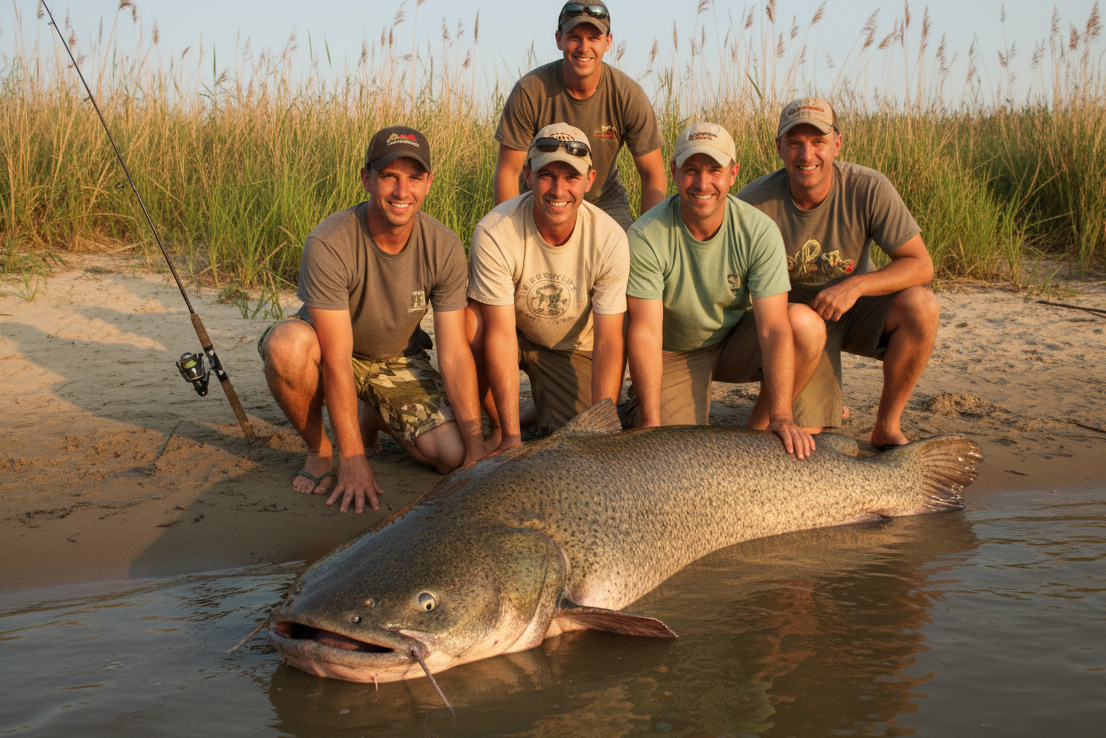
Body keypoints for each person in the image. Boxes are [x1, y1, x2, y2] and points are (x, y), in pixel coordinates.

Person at [258, 126, 485, 513]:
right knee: (286, 346)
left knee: (452, 456)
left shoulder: (444, 245)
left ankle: (375, 414)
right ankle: (318, 450)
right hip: (332, 349)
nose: (402, 192)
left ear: (428, 183)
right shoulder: (330, 241)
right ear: (367, 179)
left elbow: (454, 354)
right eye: (389, 177)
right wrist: (353, 458)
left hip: (396, 357)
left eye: (414, 178)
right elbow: (336, 356)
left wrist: (477, 449)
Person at [738, 97, 940, 448]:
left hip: (853, 309)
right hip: (794, 323)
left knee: (923, 306)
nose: (807, 155)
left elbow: (921, 265)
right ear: (779, 149)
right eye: (795, 144)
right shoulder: (754, 203)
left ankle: (887, 426)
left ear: (837, 144)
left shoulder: (869, 187)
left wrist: (856, 286)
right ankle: (790, 411)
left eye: (818, 142)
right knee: (807, 437)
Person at [625, 122, 823, 459]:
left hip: (731, 340)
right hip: (673, 351)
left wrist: (783, 416)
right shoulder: (646, 234)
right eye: (691, 170)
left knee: (805, 325)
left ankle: (760, 429)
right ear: (674, 172)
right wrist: (650, 425)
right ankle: (637, 409)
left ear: (732, 174)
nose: (702, 184)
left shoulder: (758, 230)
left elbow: (773, 327)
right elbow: (644, 331)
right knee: (673, 452)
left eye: (714, 170)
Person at [469, 122, 629, 451]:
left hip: (572, 348)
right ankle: (500, 427)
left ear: (589, 180)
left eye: (571, 177)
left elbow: (610, 341)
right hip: (515, 332)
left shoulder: (610, 238)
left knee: (577, 439)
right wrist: (511, 438)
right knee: (468, 324)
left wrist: (603, 436)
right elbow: (499, 334)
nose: (558, 190)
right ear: (527, 175)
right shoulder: (495, 230)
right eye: (547, 176)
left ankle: (539, 408)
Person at [493, 1, 667, 230]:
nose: (583, 47)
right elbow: (508, 170)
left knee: (629, 256)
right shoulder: (530, 91)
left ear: (608, 42)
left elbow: (652, 173)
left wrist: (647, 236)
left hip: (602, 202)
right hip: (543, 198)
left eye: (594, 38)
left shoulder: (629, 95)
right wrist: (511, 230)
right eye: (574, 37)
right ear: (559, 39)